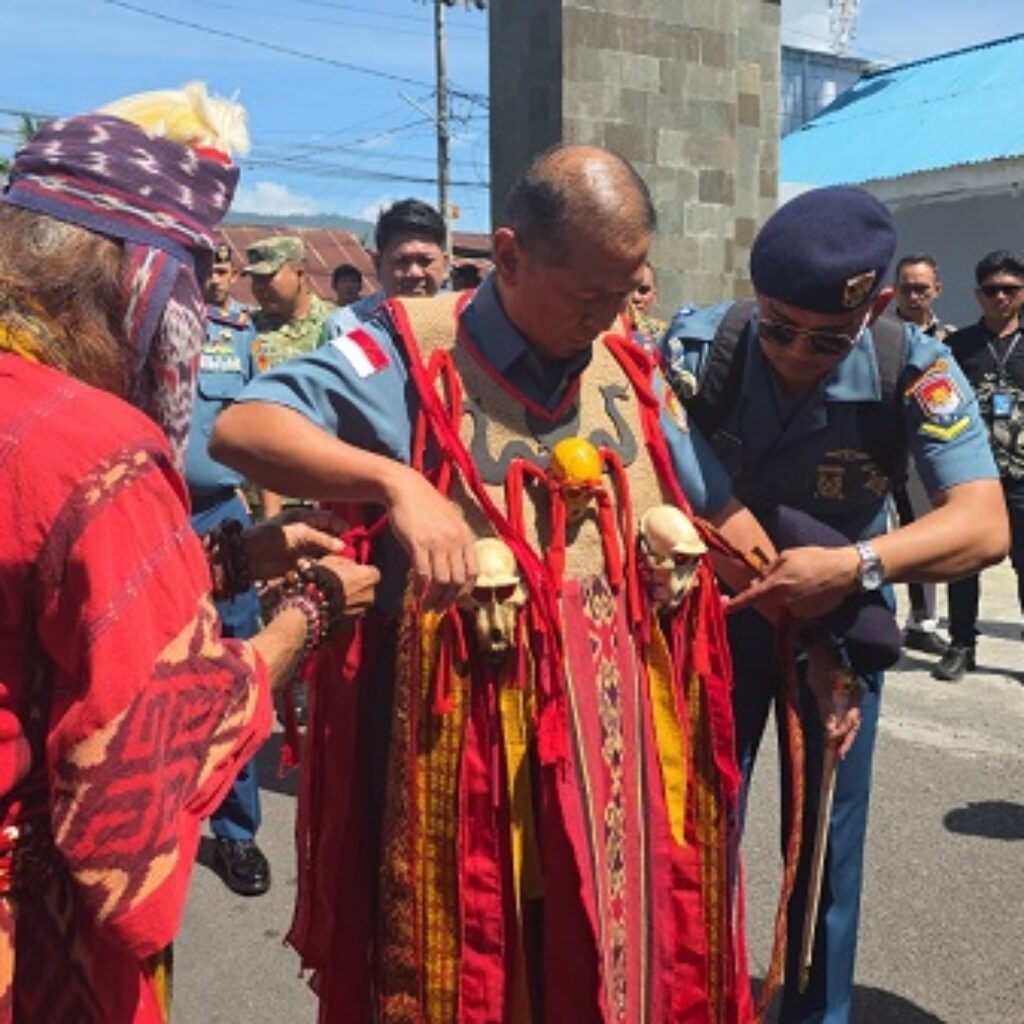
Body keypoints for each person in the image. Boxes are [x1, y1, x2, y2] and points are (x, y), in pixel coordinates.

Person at [212, 145, 778, 1023]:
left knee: (604, 965)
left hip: (612, 753)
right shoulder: (404, 346)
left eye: (624, 291)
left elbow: (702, 486)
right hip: (468, 768)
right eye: (586, 294)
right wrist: (397, 483)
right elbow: (244, 428)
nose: (606, 317)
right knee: (479, 983)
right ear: (509, 256)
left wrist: (768, 555)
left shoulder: (626, 362)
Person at [0, 87, 379, 1022]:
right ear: (133, 282)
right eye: (191, 284)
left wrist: (220, 565)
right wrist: (313, 610)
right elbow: (139, 771)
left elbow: (36, 616)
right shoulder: (98, 449)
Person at [661, 186, 1007, 1024]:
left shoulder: (913, 364)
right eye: (778, 328)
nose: (795, 354)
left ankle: (817, 1012)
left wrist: (852, 568)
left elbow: (982, 525)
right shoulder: (702, 345)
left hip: (843, 626)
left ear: (877, 306)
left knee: (824, 841)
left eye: (826, 339)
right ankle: (685, 999)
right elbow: (674, 481)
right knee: (692, 827)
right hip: (722, 618)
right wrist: (788, 586)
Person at [186, 240, 270, 896]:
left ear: (232, 274)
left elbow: (261, 429)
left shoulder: (241, 336)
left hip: (222, 515)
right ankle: (156, 826)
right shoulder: (140, 321)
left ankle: (237, 834)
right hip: (150, 515)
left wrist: (268, 526)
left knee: (236, 669)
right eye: (197, 262)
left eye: (217, 265)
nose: (207, 275)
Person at [933, 250, 1024, 682]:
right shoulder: (958, 346)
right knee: (963, 560)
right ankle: (961, 645)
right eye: (992, 290)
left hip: (1023, 474)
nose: (1001, 297)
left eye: (1010, 289)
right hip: (974, 474)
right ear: (978, 294)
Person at [891, 254, 957, 655]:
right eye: (906, 287)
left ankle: (922, 621)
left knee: (922, 533)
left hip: (927, 450)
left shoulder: (952, 339)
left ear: (937, 290)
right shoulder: (877, 333)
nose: (914, 295)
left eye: (922, 288)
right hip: (878, 445)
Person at [321, 197, 448, 335]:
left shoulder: (464, 323)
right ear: (378, 265)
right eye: (401, 261)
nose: (415, 272)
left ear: (445, 265)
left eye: (425, 261)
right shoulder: (345, 328)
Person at [246, 235, 336, 372]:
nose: (259, 287)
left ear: (300, 274)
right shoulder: (248, 329)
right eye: (255, 279)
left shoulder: (338, 324)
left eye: (266, 278)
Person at [627, 260, 667, 350]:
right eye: (629, 289)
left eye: (643, 290)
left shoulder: (666, 337)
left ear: (654, 296)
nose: (635, 297)